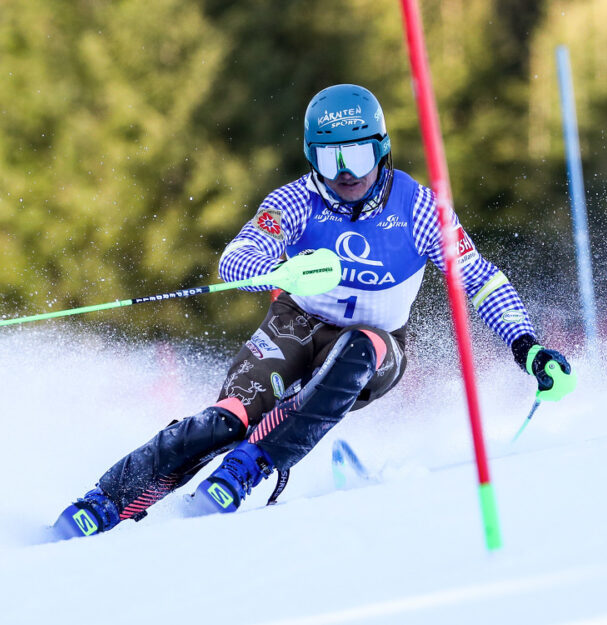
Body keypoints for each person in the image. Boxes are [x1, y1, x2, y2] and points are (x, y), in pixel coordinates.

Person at [53, 84, 575, 539]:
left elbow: (480, 279)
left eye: (358, 156)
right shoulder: (297, 201)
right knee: (228, 419)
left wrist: (527, 348)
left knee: (356, 347)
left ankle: (252, 466)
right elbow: (238, 256)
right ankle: (104, 501)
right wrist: (276, 271)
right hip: (295, 325)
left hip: (378, 344)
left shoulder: (417, 208)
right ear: (312, 158)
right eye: (329, 160)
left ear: (382, 150)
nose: (346, 173)